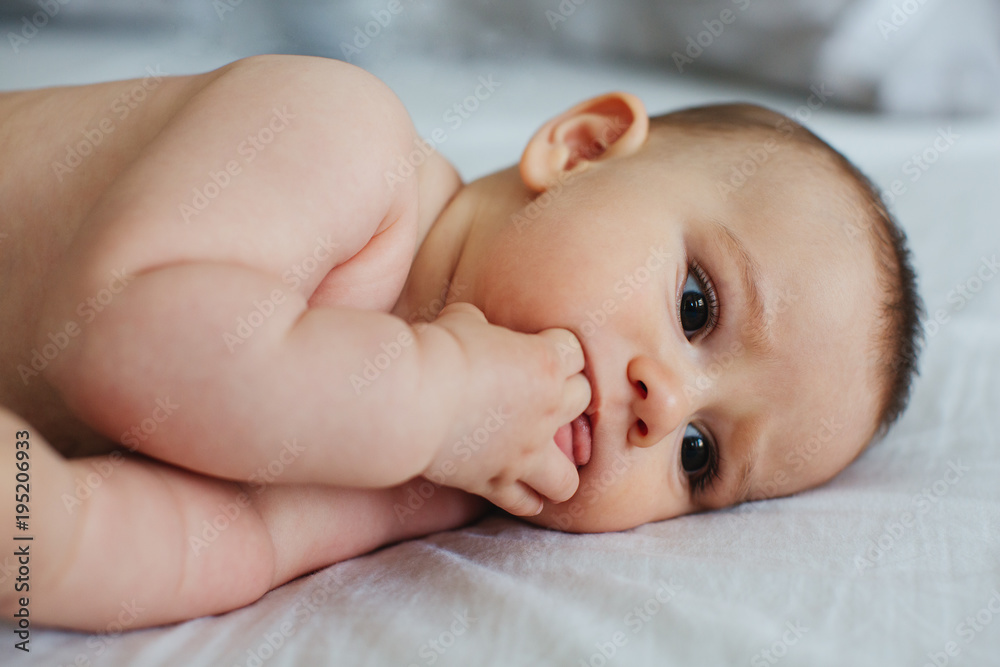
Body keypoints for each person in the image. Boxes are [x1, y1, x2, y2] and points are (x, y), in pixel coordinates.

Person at [0, 54, 922, 630]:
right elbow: (119, 335)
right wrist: (433, 396)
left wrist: (49, 531)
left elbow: (233, 542)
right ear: (583, 149)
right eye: (694, 306)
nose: (666, 405)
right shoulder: (342, 137)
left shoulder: (435, 482)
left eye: (699, 456)